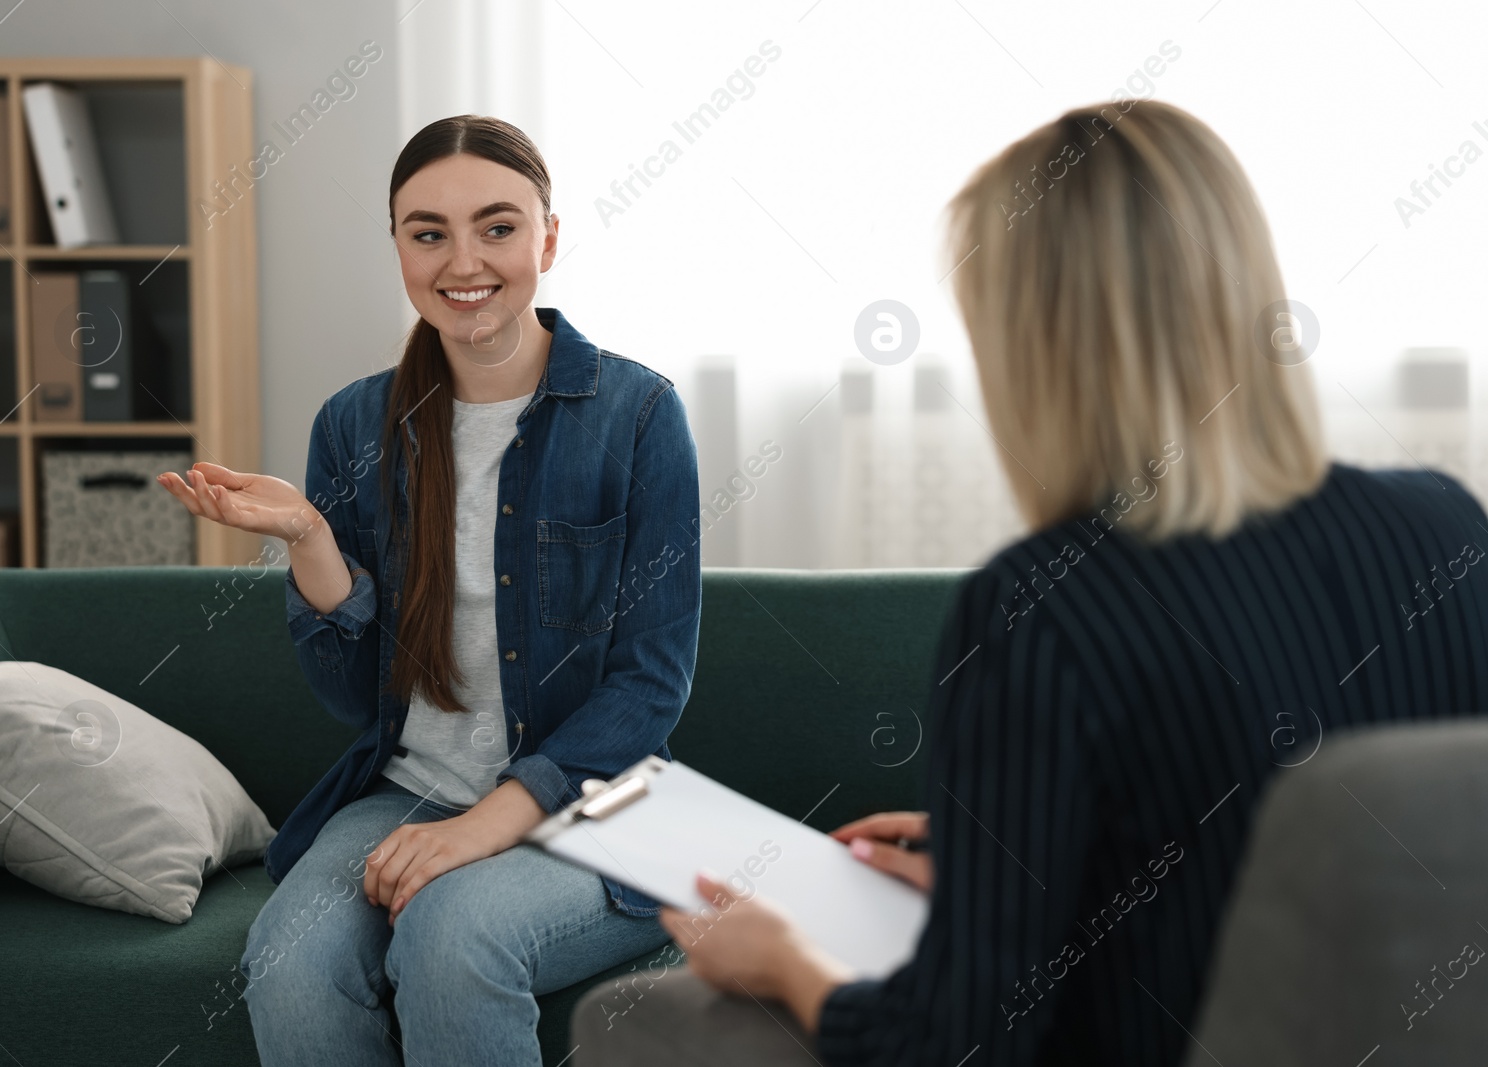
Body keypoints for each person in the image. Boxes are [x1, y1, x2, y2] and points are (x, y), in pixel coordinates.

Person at [571, 98, 1488, 1065]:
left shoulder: (1046, 607)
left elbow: (954, 1046)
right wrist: (1014, 854)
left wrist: (785, 961)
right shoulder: (1445, 522)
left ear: (1038, 348)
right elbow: (1309, 842)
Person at [157, 114, 702, 1067]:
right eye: (428, 232)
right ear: (399, 246)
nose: (465, 261)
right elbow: (349, 694)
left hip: (602, 807)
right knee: (287, 958)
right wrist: (310, 539)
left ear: (550, 237)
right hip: (405, 789)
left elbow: (651, 685)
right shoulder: (354, 422)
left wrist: (480, 829)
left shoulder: (641, 415)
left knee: (452, 936)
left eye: (498, 227)